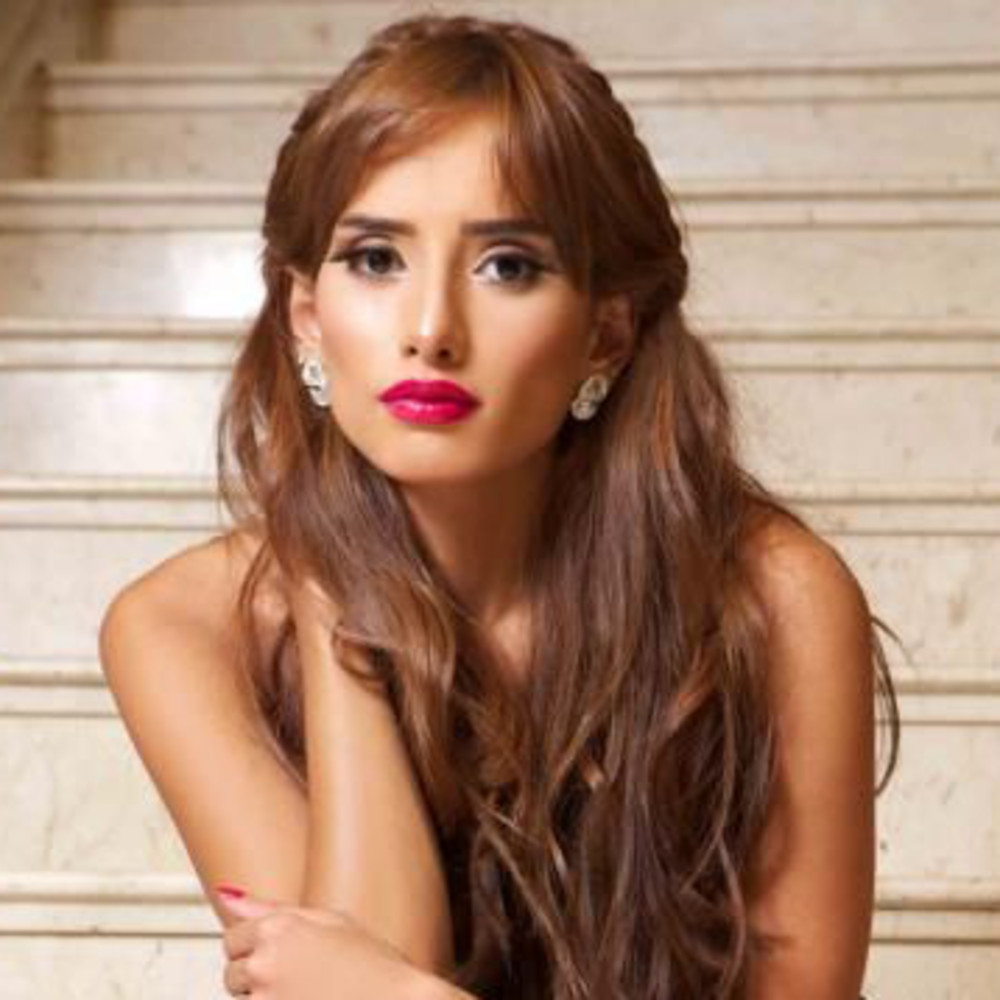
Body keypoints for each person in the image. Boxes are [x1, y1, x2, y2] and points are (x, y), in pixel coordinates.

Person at [97, 12, 900, 1000]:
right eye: (376, 259)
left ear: (606, 334)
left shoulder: (773, 597)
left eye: (507, 265)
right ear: (307, 317)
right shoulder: (182, 625)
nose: (432, 330)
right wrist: (334, 582)